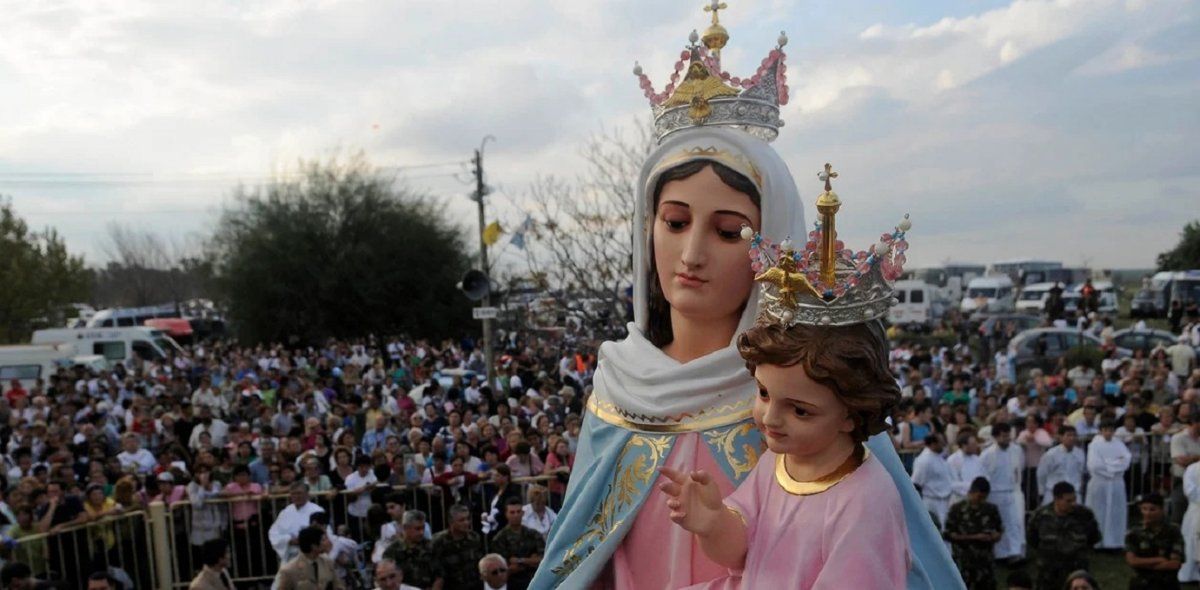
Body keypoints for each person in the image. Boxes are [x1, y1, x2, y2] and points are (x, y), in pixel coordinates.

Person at [661, 203, 917, 588]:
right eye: (764, 394)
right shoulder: (779, 464)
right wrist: (713, 522)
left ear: (851, 411)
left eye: (800, 411)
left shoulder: (865, 503)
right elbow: (742, 552)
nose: (770, 418)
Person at [1027, 482, 1101, 590]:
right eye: (1068, 501)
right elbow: (1032, 539)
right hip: (1049, 573)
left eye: (1074, 499)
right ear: (1056, 499)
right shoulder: (1040, 516)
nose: (1073, 504)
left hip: (1076, 573)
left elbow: (1094, 537)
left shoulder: (1084, 515)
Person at [943, 477, 1003, 590]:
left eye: (984, 498)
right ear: (971, 492)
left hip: (985, 564)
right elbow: (948, 534)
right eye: (979, 497)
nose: (981, 501)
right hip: (964, 562)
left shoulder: (991, 510)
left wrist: (994, 537)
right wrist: (974, 537)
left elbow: (999, 530)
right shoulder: (957, 510)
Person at [981, 421, 1025, 561]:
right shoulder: (987, 454)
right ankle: (1000, 554)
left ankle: (1015, 552)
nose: (1007, 439)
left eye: (1008, 436)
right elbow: (983, 474)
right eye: (1003, 436)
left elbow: (1020, 467)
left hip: (1011, 491)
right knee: (998, 524)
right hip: (994, 493)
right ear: (996, 437)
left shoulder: (1016, 450)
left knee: (1014, 522)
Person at [1085, 419, 1131, 549]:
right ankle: (1097, 541)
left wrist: (1109, 465)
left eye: (1111, 430)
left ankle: (1114, 541)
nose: (1108, 433)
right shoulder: (1094, 445)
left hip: (1116, 483)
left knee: (1116, 511)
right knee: (1098, 510)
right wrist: (1114, 465)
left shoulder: (1119, 444)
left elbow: (1126, 460)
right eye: (1105, 430)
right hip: (1100, 482)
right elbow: (1095, 465)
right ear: (1101, 431)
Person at [1125, 492, 1183, 590]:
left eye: (1152, 509)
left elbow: (1174, 564)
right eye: (1144, 509)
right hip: (1141, 584)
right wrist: (1159, 560)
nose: (1147, 513)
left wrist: (1144, 566)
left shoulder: (1173, 531)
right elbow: (1132, 561)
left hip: (1167, 584)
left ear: (1162, 510)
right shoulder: (1135, 532)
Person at [492, 498, 543, 590]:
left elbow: (542, 560)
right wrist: (530, 560)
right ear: (506, 514)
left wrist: (520, 560)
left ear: (523, 513)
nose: (516, 515)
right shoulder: (499, 538)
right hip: (511, 584)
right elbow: (505, 568)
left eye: (518, 511)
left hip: (534, 580)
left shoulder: (533, 534)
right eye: (512, 512)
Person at [268, 483, 326, 562]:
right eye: (293, 494)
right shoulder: (285, 512)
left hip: (311, 555)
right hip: (290, 556)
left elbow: (324, 534)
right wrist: (288, 540)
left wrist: (302, 540)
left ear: (307, 494)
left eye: (299, 493)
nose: (296, 496)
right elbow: (273, 533)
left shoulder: (317, 510)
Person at [430, 504, 482, 590]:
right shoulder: (438, 541)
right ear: (451, 522)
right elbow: (436, 573)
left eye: (468, 519)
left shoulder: (474, 538)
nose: (466, 523)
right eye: (461, 520)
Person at [274, 526, 344, 590]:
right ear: (314, 546)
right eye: (323, 540)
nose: (328, 542)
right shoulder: (289, 570)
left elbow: (339, 586)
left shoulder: (328, 562)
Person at [381, 510, 437, 589]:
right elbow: (388, 580)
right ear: (405, 528)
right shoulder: (392, 552)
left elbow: (439, 577)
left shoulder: (431, 547)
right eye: (417, 529)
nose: (421, 532)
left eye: (423, 528)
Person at [912, 433, 953, 530]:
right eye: (941, 442)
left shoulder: (938, 456)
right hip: (932, 502)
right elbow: (916, 483)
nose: (943, 445)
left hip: (944, 500)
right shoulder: (924, 460)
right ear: (933, 444)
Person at [1037, 426, 1085, 506]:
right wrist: (1042, 492)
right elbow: (1042, 474)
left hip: (1073, 493)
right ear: (1061, 437)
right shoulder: (1051, 454)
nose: (1071, 438)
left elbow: (1080, 472)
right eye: (1068, 435)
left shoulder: (1080, 453)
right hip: (1054, 493)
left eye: (1074, 435)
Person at [948, 433, 985, 504]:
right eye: (973, 444)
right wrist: (972, 488)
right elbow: (952, 483)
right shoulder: (953, 460)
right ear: (964, 445)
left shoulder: (977, 459)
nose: (976, 446)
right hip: (960, 500)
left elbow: (983, 476)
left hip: (977, 499)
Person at [1179, 460, 1200, 582]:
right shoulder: (1192, 468)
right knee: (1192, 540)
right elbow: (1190, 490)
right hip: (1196, 510)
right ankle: (1189, 572)